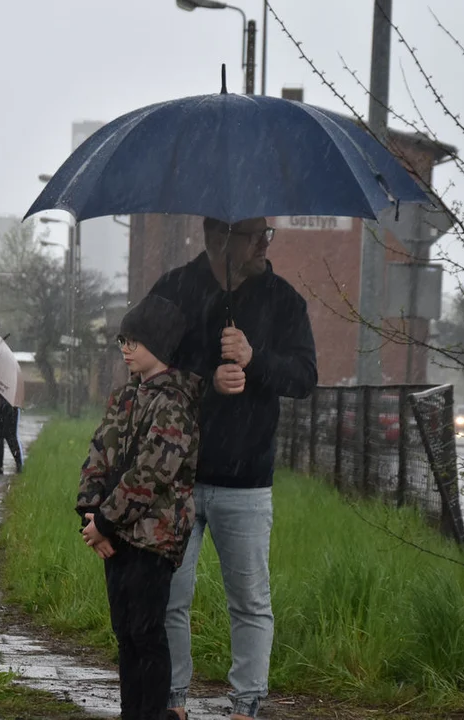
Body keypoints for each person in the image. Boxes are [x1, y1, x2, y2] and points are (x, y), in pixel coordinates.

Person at [151, 216, 318, 720]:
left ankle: (247, 705)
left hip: (247, 480)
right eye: (252, 233)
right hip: (177, 474)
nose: (264, 242)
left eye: (266, 233)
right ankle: (172, 700)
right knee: (169, 598)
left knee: (248, 600)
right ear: (215, 234)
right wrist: (206, 378)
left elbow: (305, 377)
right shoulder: (175, 289)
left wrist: (254, 358)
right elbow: (145, 363)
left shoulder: (284, 301)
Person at [76, 294, 201, 720]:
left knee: (147, 633)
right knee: (125, 634)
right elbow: (98, 454)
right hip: (115, 536)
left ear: (160, 345)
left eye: (134, 341)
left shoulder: (175, 404)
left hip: (153, 537)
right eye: (122, 340)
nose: (125, 349)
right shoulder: (124, 398)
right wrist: (90, 515)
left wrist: (107, 521)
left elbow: (151, 474)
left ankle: (152, 713)